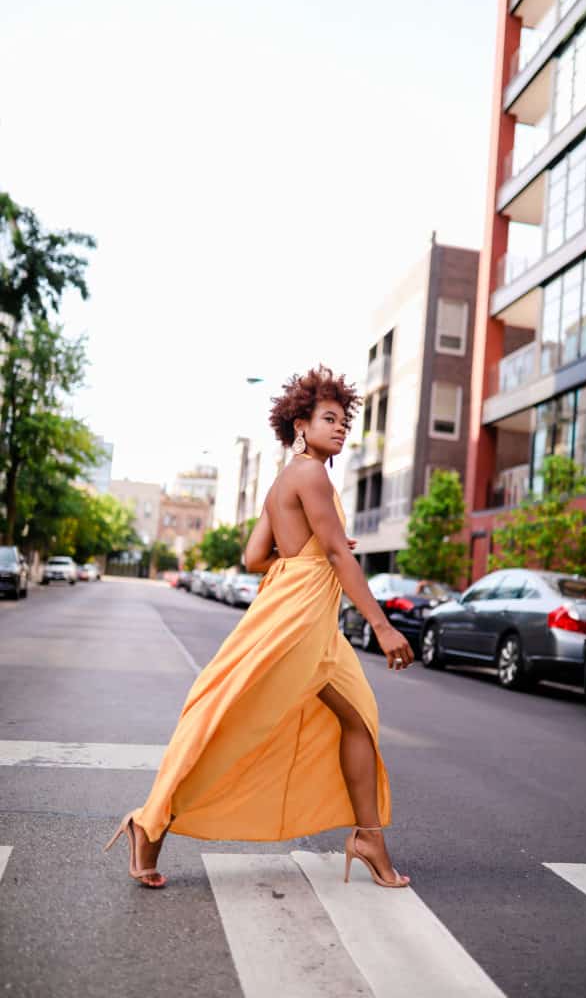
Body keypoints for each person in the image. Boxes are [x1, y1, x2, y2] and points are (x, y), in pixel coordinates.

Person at [104, 365, 414, 888]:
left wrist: (304, 558)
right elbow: (336, 552)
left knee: (358, 720)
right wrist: (380, 624)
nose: (341, 429)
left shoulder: (284, 481)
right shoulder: (311, 473)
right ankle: (148, 824)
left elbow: (253, 557)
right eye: (329, 419)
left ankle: (368, 837)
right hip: (296, 623)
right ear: (300, 424)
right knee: (235, 727)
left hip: (314, 624)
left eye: (344, 422)